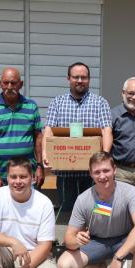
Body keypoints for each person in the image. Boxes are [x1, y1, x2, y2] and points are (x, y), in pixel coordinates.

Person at [42, 61, 113, 211]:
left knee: (99, 210)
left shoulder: (100, 103)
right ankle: (71, 235)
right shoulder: (57, 103)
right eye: (76, 77)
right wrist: (45, 154)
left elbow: (106, 130)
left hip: (93, 173)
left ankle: (100, 234)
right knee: (68, 213)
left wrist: (105, 156)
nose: (80, 80)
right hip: (65, 172)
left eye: (84, 77)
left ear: (89, 79)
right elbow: (48, 130)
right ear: (69, 78)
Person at [0, 67, 44, 189]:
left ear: (21, 84)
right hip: (2, 175)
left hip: (27, 175)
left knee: (28, 207)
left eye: (13, 83)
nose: (9, 87)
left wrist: (39, 166)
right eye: (6, 83)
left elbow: (38, 138)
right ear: (0, 84)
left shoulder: (31, 106)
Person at [111, 77, 135, 211]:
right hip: (121, 171)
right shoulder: (113, 115)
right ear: (123, 93)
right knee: (119, 208)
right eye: (131, 93)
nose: (134, 97)